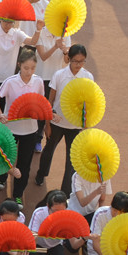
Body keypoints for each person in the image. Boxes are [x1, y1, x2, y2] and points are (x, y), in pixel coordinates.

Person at [37, 44, 93, 192]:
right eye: (75, 61)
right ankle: (41, 174)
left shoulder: (88, 77)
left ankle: (66, 191)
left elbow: (89, 102)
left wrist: (85, 123)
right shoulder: (59, 75)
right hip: (57, 122)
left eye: (82, 61)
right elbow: (50, 100)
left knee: (72, 160)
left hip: (75, 126)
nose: (78, 65)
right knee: (48, 150)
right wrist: (47, 124)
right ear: (68, 59)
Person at [0, 49, 45, 205]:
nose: (29, 72)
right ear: (19, 65)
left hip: (30, 130)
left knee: (24, 163)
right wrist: (1, 114)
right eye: (26, 68)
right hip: (10, 128)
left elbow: (41, 102)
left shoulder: (38, 82)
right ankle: (2, 178)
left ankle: (18, 193)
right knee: (5, 157)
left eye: (32, 68)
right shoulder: (10, 82)